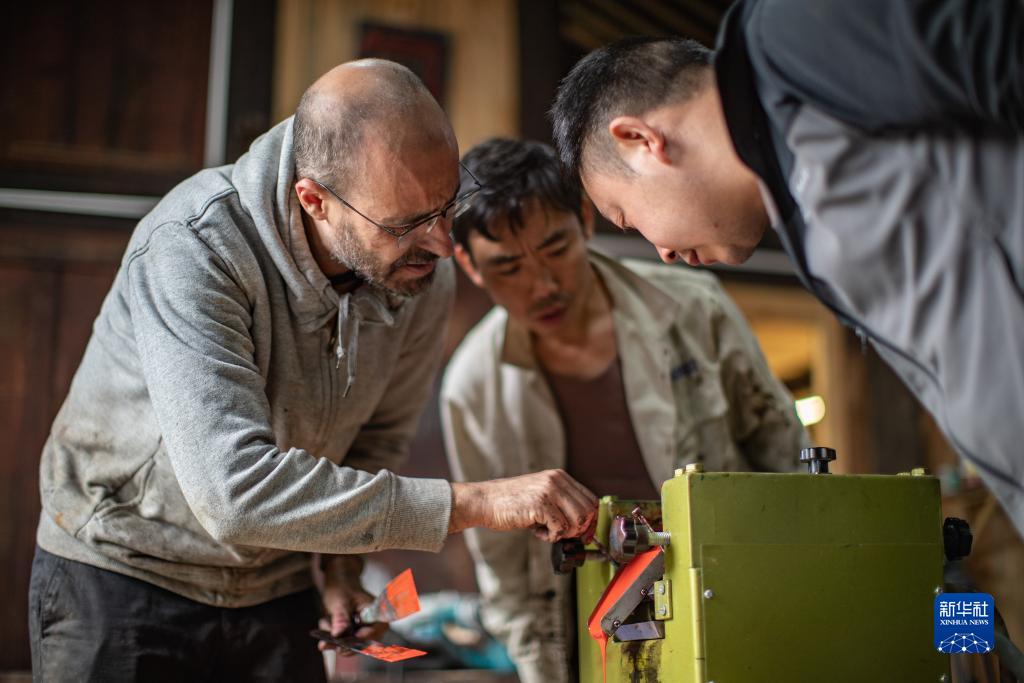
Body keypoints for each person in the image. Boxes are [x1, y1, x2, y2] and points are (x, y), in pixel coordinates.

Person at [30, 60, 597, 682]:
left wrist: (340, 568)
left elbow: (376, 439)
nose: (441, 244)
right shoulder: (194, 246)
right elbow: (233, 495)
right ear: (315, 200)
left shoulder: (418, 273)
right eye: (406, 223)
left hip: (280, 583)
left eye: (448, 205)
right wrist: (474, 502)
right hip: (126, 568)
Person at [549, 1, 1024, 539]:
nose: (661, 251)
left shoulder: (796, 33)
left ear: (640, 140)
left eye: (627, 219)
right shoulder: (802, 219)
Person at [440, 137, 808, 683]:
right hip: (593, 637)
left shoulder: (694, 310)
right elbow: (504, 572)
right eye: (509, 267)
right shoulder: (473, 386)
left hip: (733, 601)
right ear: (469, 265)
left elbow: (791, 468)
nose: (543, 284)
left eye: (556, 248)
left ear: (586, 220)